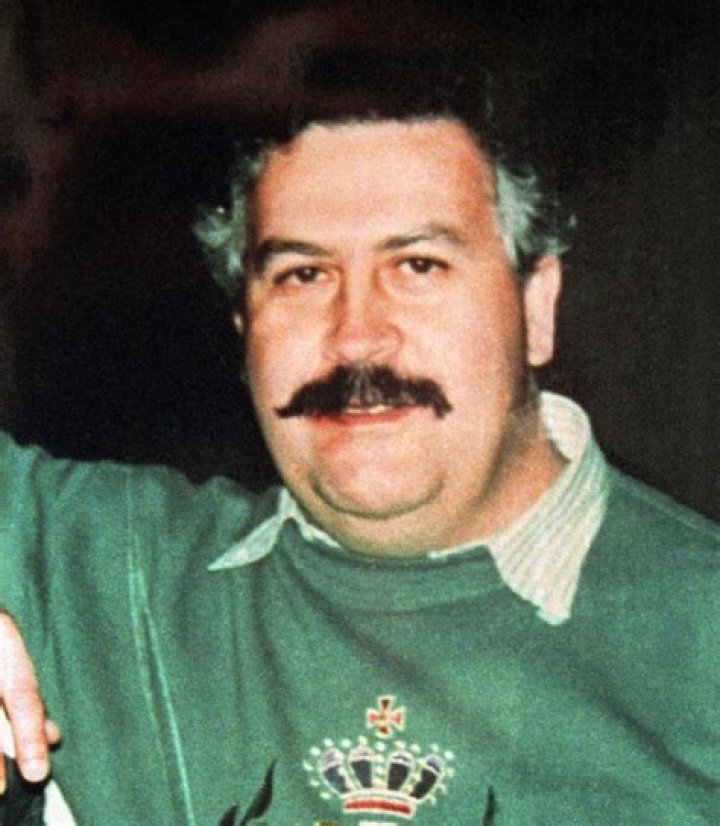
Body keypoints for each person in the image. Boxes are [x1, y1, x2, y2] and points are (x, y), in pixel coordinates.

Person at [0, 54, 718, 824]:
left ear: (535, 307)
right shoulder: (102, 570)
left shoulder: (698, 634)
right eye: (302, 275)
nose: (356, 338)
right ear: (244, 327)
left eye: (418, 265)